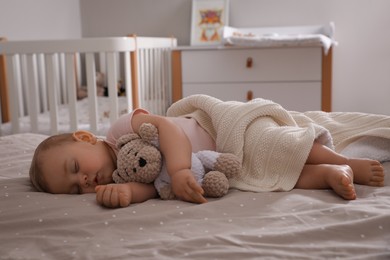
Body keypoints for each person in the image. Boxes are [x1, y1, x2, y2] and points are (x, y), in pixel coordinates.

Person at [29, 105, 385, 208]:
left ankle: (344, 160)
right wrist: (124, 195)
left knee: (277, 143)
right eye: (76, 190)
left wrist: (181, 167)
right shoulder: (122, 177)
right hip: (222, 160)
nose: (85, 181)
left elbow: (168, 129)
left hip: (225, 129)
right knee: (261, 174)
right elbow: (155, 187)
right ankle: (327, 174)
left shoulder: (122, 129)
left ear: (84, 138)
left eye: (75, 168)